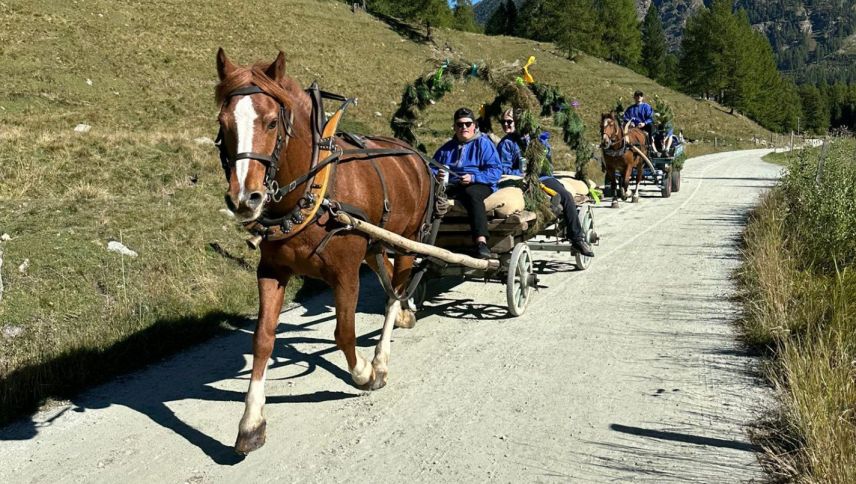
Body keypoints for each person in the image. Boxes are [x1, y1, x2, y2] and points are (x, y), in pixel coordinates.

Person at [496, 109, 594, 257]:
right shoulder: (506, 143)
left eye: (509, 122)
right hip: (518, 181)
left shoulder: (538, 139)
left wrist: (542, 154)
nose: (505, 125)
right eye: (503, 122)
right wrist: (522, 173)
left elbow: (547, 162)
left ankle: (577, 238)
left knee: (566, 196)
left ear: (520, 122)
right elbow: (503, 168)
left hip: (542, 178)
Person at [433, 107, 502, 259]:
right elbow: (431, 167)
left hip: (480, 184)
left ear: (474, 126)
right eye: (459, 124)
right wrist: (436, 175)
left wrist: (473, 177)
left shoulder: (484, 144)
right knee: (430, 193)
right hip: (453, 184)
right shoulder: (446, 148)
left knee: (472, 194)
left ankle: (481, 242)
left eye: (467, 124)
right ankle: (428, 237)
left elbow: (496, 171)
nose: (463, 127)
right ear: (454, 127)